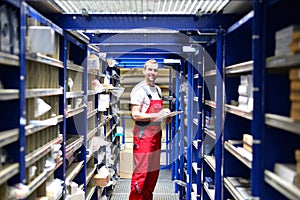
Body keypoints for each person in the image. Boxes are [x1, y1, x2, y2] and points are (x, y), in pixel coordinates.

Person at [129, 59, 171, 200]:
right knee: (141, 174)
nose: (153, 73)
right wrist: (157, 115)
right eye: (150, 70)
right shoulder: (139, 90)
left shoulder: (158, 90)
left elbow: (156, 114)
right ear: (144, 71)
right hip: (143, 136)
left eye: (155, 70)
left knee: (152, 175)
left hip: (156, 135)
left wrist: (165, 117)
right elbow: (135, 114)